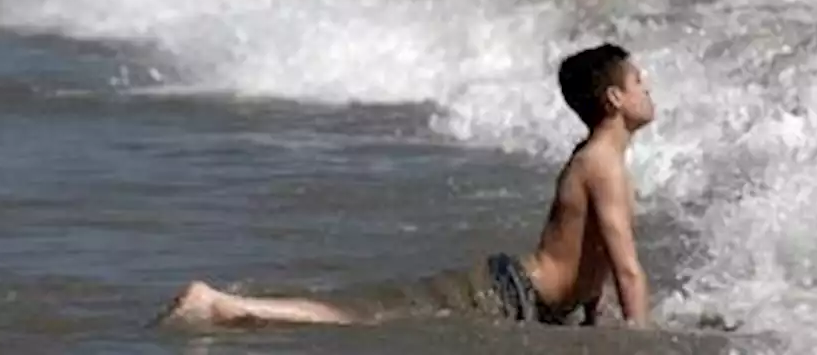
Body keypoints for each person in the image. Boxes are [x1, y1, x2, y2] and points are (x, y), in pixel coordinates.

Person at [153, 43, 656, 329]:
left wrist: (593, 320)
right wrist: (642, 342)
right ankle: (222, 303)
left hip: (526, 297)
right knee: (361, 315)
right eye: (640, 83)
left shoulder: (600, 158)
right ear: (614, 98)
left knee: (368, 312)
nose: (647, 88)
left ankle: (229, 304)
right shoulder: (601, 164)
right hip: (507, 294)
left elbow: (590, 256)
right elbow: (627, 271)